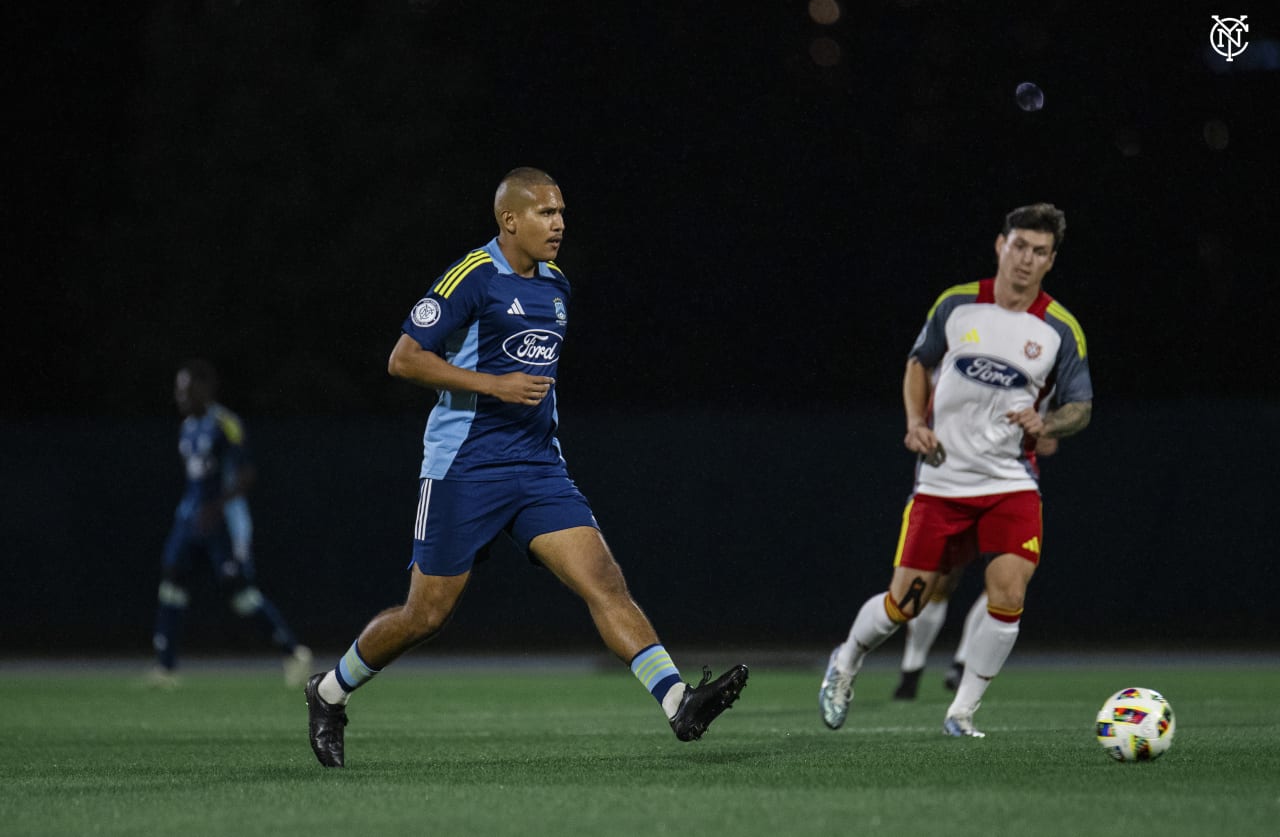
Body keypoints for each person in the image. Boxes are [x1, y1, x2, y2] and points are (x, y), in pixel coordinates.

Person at [304, 167, 748, 767]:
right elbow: (404, 359)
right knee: (425, 614)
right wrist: (493, 385)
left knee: (605, 581)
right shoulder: (473, 278)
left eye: (562, 212)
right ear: (509, 220)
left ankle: (678, 703)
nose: (559, 223)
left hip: (538, 468)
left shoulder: (557, 286)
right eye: (545, 212)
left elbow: (543, 383)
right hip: (464, 467)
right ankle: (329, 691)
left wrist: (545, 437)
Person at [819, 203, 1092, 737]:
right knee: (904, 604)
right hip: (943, 481)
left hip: (1010, 481)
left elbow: (1081, 407)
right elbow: (918, 362)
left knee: (1009, 591)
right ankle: (845, 661)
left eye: (1039, 252)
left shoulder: (1061, 328)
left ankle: (961, 711)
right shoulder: (957, 304)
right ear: (1000, 245)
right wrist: (915, 422)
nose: (1026, 259)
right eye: (1019, 246)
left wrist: (1047, 422)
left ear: (1051, 260)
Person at [150, 359, 312, 688]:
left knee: (241, 595)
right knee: (171, 583)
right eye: (178, 390)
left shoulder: (225, 423)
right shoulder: (187, 428)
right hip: (190, 520)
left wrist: (217, 506)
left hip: (223, 523)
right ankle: (166, 668)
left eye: (186, 389)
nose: (180, 396)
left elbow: (246, 474)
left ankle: (293, 652)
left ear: (205, 389)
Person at [892, 435, 1058, 701]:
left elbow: (1073, 408)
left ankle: (960, 665)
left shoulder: (1040, 392)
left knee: (1008, 582)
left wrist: (1051, 426)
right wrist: (916, 424)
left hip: (1009, 486)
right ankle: (911, 669)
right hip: (956, 483)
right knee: (939, 581)